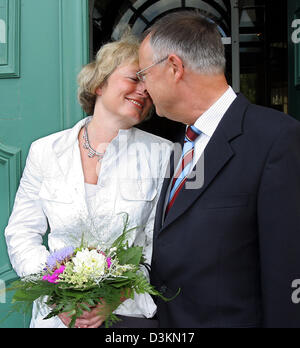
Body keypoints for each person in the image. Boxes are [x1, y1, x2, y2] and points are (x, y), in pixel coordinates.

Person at [138, 11, 300, 328]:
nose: (143, 87)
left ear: (174, 67)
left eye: (144, 73)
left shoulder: (276, 139)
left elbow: (287, 270)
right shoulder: (180, 144)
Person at [5, 34, 172, 328]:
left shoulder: (162, 154)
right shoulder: (45, 151)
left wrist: (115, 296)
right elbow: (21, 233)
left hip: (129, 315)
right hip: (57, 317)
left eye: (149, 84)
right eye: (135, 78)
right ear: (99, 83)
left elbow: (158, 245)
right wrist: (60, 296)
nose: (144, 90)